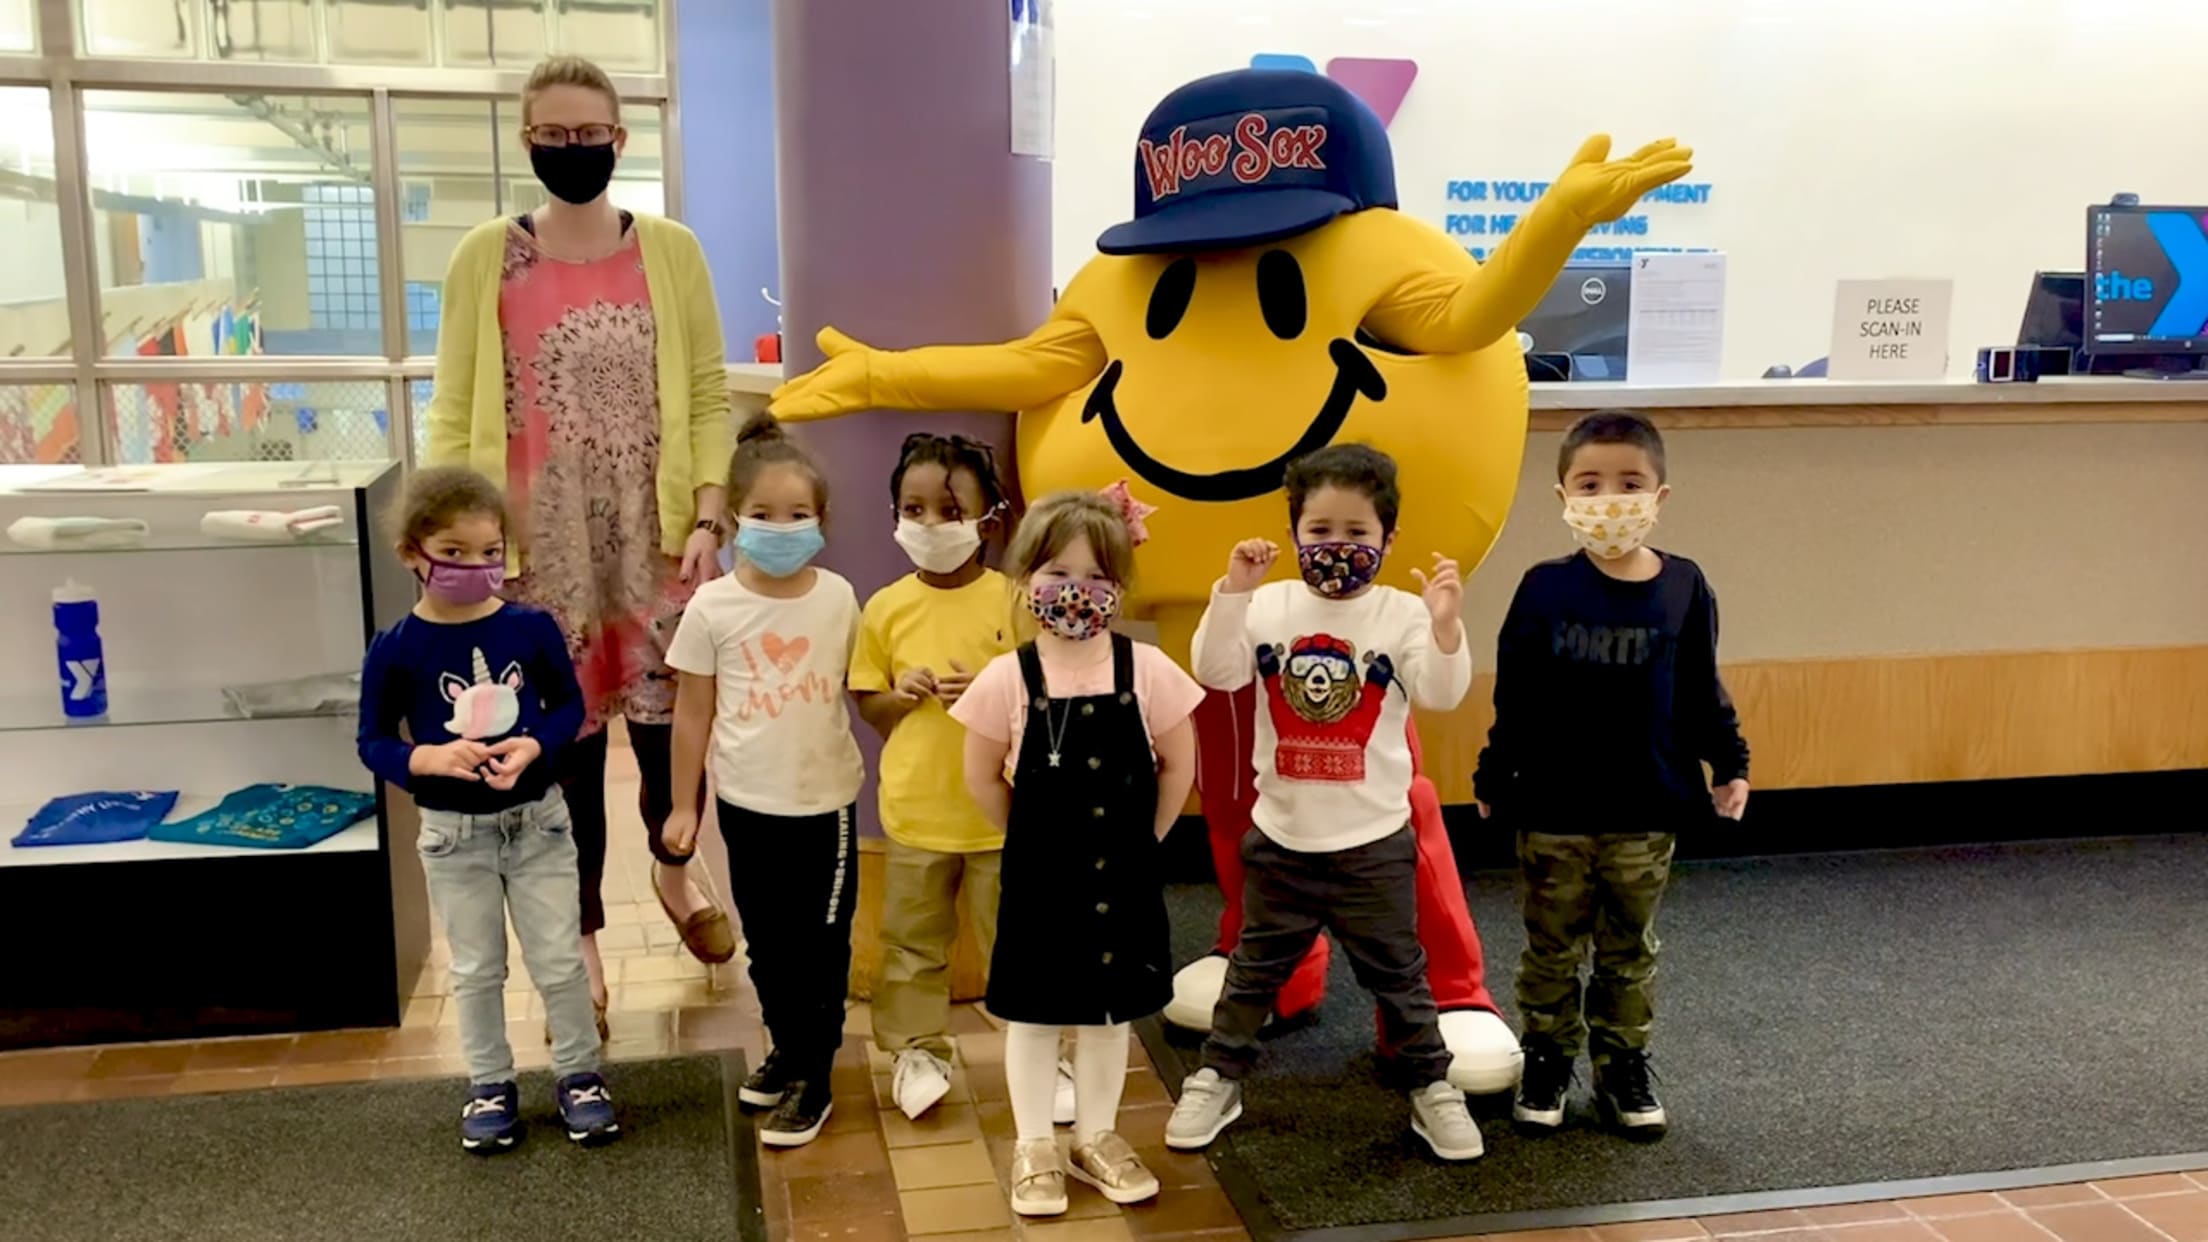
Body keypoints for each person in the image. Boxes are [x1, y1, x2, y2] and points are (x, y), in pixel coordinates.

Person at [423, 55, 737, 1033]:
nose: (573, 149)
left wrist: (711, 509)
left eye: (589, 133)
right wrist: (451, 540)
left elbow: (707, 389)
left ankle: (676, 872)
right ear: (528, 143)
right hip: (536, 547)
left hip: (651, 539)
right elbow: (452, 408)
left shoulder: (671, 250)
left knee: (668, 720)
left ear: (620, 137)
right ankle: (586, 939)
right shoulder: (487, 256)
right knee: (564, 741)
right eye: (553, 136)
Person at [1166, 443, 1484, 1162]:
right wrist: (1234, 591)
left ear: (1388, 539)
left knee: (1400, 975)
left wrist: (1444, 627)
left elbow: (1439, 693)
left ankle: (1432, 1087)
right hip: (1282, 838)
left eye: (1356, 533)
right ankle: (1219, 1074)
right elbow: (1215, 672)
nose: (1337, 547)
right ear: (1293, 535)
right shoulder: (1272, 604)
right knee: (1252, 972)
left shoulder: (1400, 614)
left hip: (1373, 841)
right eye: (1319, 532)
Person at [1473, 410, 1750, 1140]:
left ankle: (1622, 1066)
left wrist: (1731, 763)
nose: (1610, 498)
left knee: (1629, 950)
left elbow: (1699, 689)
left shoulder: (1685, 586)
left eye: (1629, 483)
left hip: (1646, 808)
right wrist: (1494, 773)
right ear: (1563, 494)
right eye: (1590, 483)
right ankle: (1546, 1059)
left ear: (1659, 496)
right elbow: (1517, 696)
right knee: (1552, 947)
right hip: (1554, 810)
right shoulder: (1542, 589)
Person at [950, 489, 1202, 1217]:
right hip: (1040, 880)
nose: (1075, 591)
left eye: (1095, 575)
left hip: (1123, 879)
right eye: (1057, 571)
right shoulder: (1009, 677)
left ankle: (1096, 1136)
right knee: (1031, 1016)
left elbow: (1178, 768)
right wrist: (1029, 841)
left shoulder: (1147, 669)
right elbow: (980, 775)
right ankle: (1035, 1145)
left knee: (1108, 1015)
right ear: (1026, 577)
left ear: (1120, 586)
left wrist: (1145, 842)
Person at [357, 466, 619, 1152]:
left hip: (538, 823)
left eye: (490, 552)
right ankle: (489, 1082)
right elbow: (374, 740)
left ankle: (580, 1074)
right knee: (475, 968)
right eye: (454, 552)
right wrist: (427, 760)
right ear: (413, 553)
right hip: (452, 835)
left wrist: (534, 746)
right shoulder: (396, 649)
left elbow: (568, 707)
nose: (476, 567)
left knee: (559, 959)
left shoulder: (530, 628)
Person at [849, 433, 1079, 1123]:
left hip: (1006, 817)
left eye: (948, 511)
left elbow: (1052, 697)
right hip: (917, 813)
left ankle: (1047, 1054)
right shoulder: (884, 607)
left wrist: (991, 689)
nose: (928, 525)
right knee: (912, 944)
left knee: (1026, 942)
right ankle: (917, 1051)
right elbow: (870, 703)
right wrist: (901, 694)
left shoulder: (1015, 601)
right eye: (911, 509)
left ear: (990, 519)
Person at [661, 413, 865, 1149]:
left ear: (823, 520)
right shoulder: (713, 606)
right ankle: (789, 1047)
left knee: (822, 943)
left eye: (799, 515)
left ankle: (815, 1074)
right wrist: (686, 806)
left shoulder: (839, 597)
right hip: (748, 806)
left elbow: (864, 682)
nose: (782, 527)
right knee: (769, 943)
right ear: (734, 520)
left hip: (827, 804)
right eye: (763, 515)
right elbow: (691, 714)